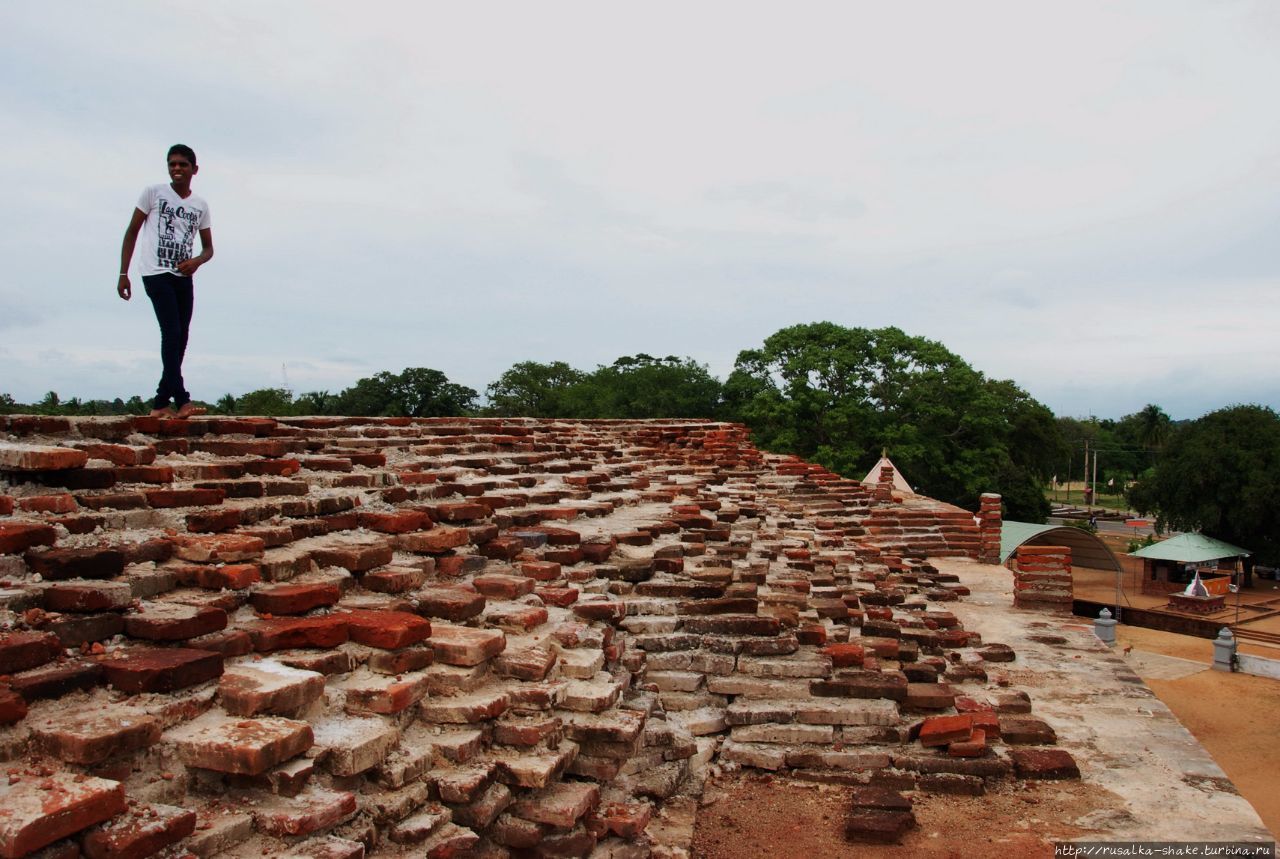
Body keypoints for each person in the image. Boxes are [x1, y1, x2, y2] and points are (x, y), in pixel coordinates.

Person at [118, 144, 214, 418]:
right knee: (171, 332)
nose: (176, 169)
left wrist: (196, 261)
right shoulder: (153, 193)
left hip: (183, 276)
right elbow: (132, 232)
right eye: (172, 164)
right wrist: (123, 273)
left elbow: (209, 248)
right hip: (155, 272)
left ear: (194, 169)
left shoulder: (200, 205)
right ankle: (182, 399)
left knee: (181, 337)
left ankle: (161, 402)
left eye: (183, 164)